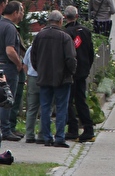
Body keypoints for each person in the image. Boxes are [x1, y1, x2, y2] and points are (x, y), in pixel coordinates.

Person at [31, 10, 77, 148]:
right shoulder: (64, 37)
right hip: (62, 78)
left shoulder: (39, 36)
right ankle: (59, 137)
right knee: (62, 107)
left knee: (45, 108)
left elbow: (34, 57)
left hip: (44, 76)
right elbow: (70, 58)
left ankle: (46, 137)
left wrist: (40, 70)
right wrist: (71, 72)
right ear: (60, 21)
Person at [63, 6, 95, 143]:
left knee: (68, 101)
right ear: (77, 16)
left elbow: (67, 56)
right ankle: (88, 129)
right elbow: (91, 52)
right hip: (83, 71)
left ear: (65, 17)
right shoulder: (86, 31)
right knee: (81, 100)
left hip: (72, 72)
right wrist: (87, 67)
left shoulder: (65, 33)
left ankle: (73, 129)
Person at [0, 1, 24, 142]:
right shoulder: (10, 28)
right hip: (8, 67)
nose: (21, 15)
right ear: (15, 13)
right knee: (7, 99)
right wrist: (18, 63)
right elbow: (10, 50)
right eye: (20, 12)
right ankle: (6, 129)